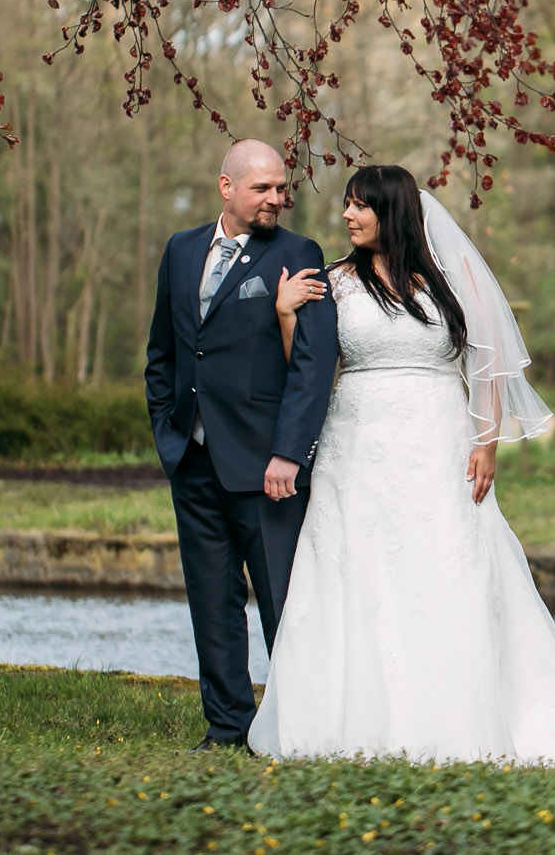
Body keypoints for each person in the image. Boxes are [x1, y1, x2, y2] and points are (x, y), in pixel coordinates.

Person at [249, 164, 555, 770]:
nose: (347, 215)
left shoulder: (449, 277)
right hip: (357, 442)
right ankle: (349, 716)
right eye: (345, 205)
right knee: (356, 567)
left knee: (446, 563)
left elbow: (488, 358)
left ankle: (461, 715)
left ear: (390, 210)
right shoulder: (334, 282)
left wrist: (486, 441)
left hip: (439, 438)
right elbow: (310, 371)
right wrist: (288, 316)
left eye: (359, 205)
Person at [144, 139, 339, 750]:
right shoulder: (179, 251)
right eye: (263, 189)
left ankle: (300, 727)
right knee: (211, 599)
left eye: (282, 188)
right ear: (227, 187)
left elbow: (312, 362)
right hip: (193, 457)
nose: (277, 199)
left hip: (266, 465)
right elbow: (164, 353)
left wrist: (290, 451)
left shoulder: (299, 253)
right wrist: (167, 433)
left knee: (283, 602)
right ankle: (227, 724)